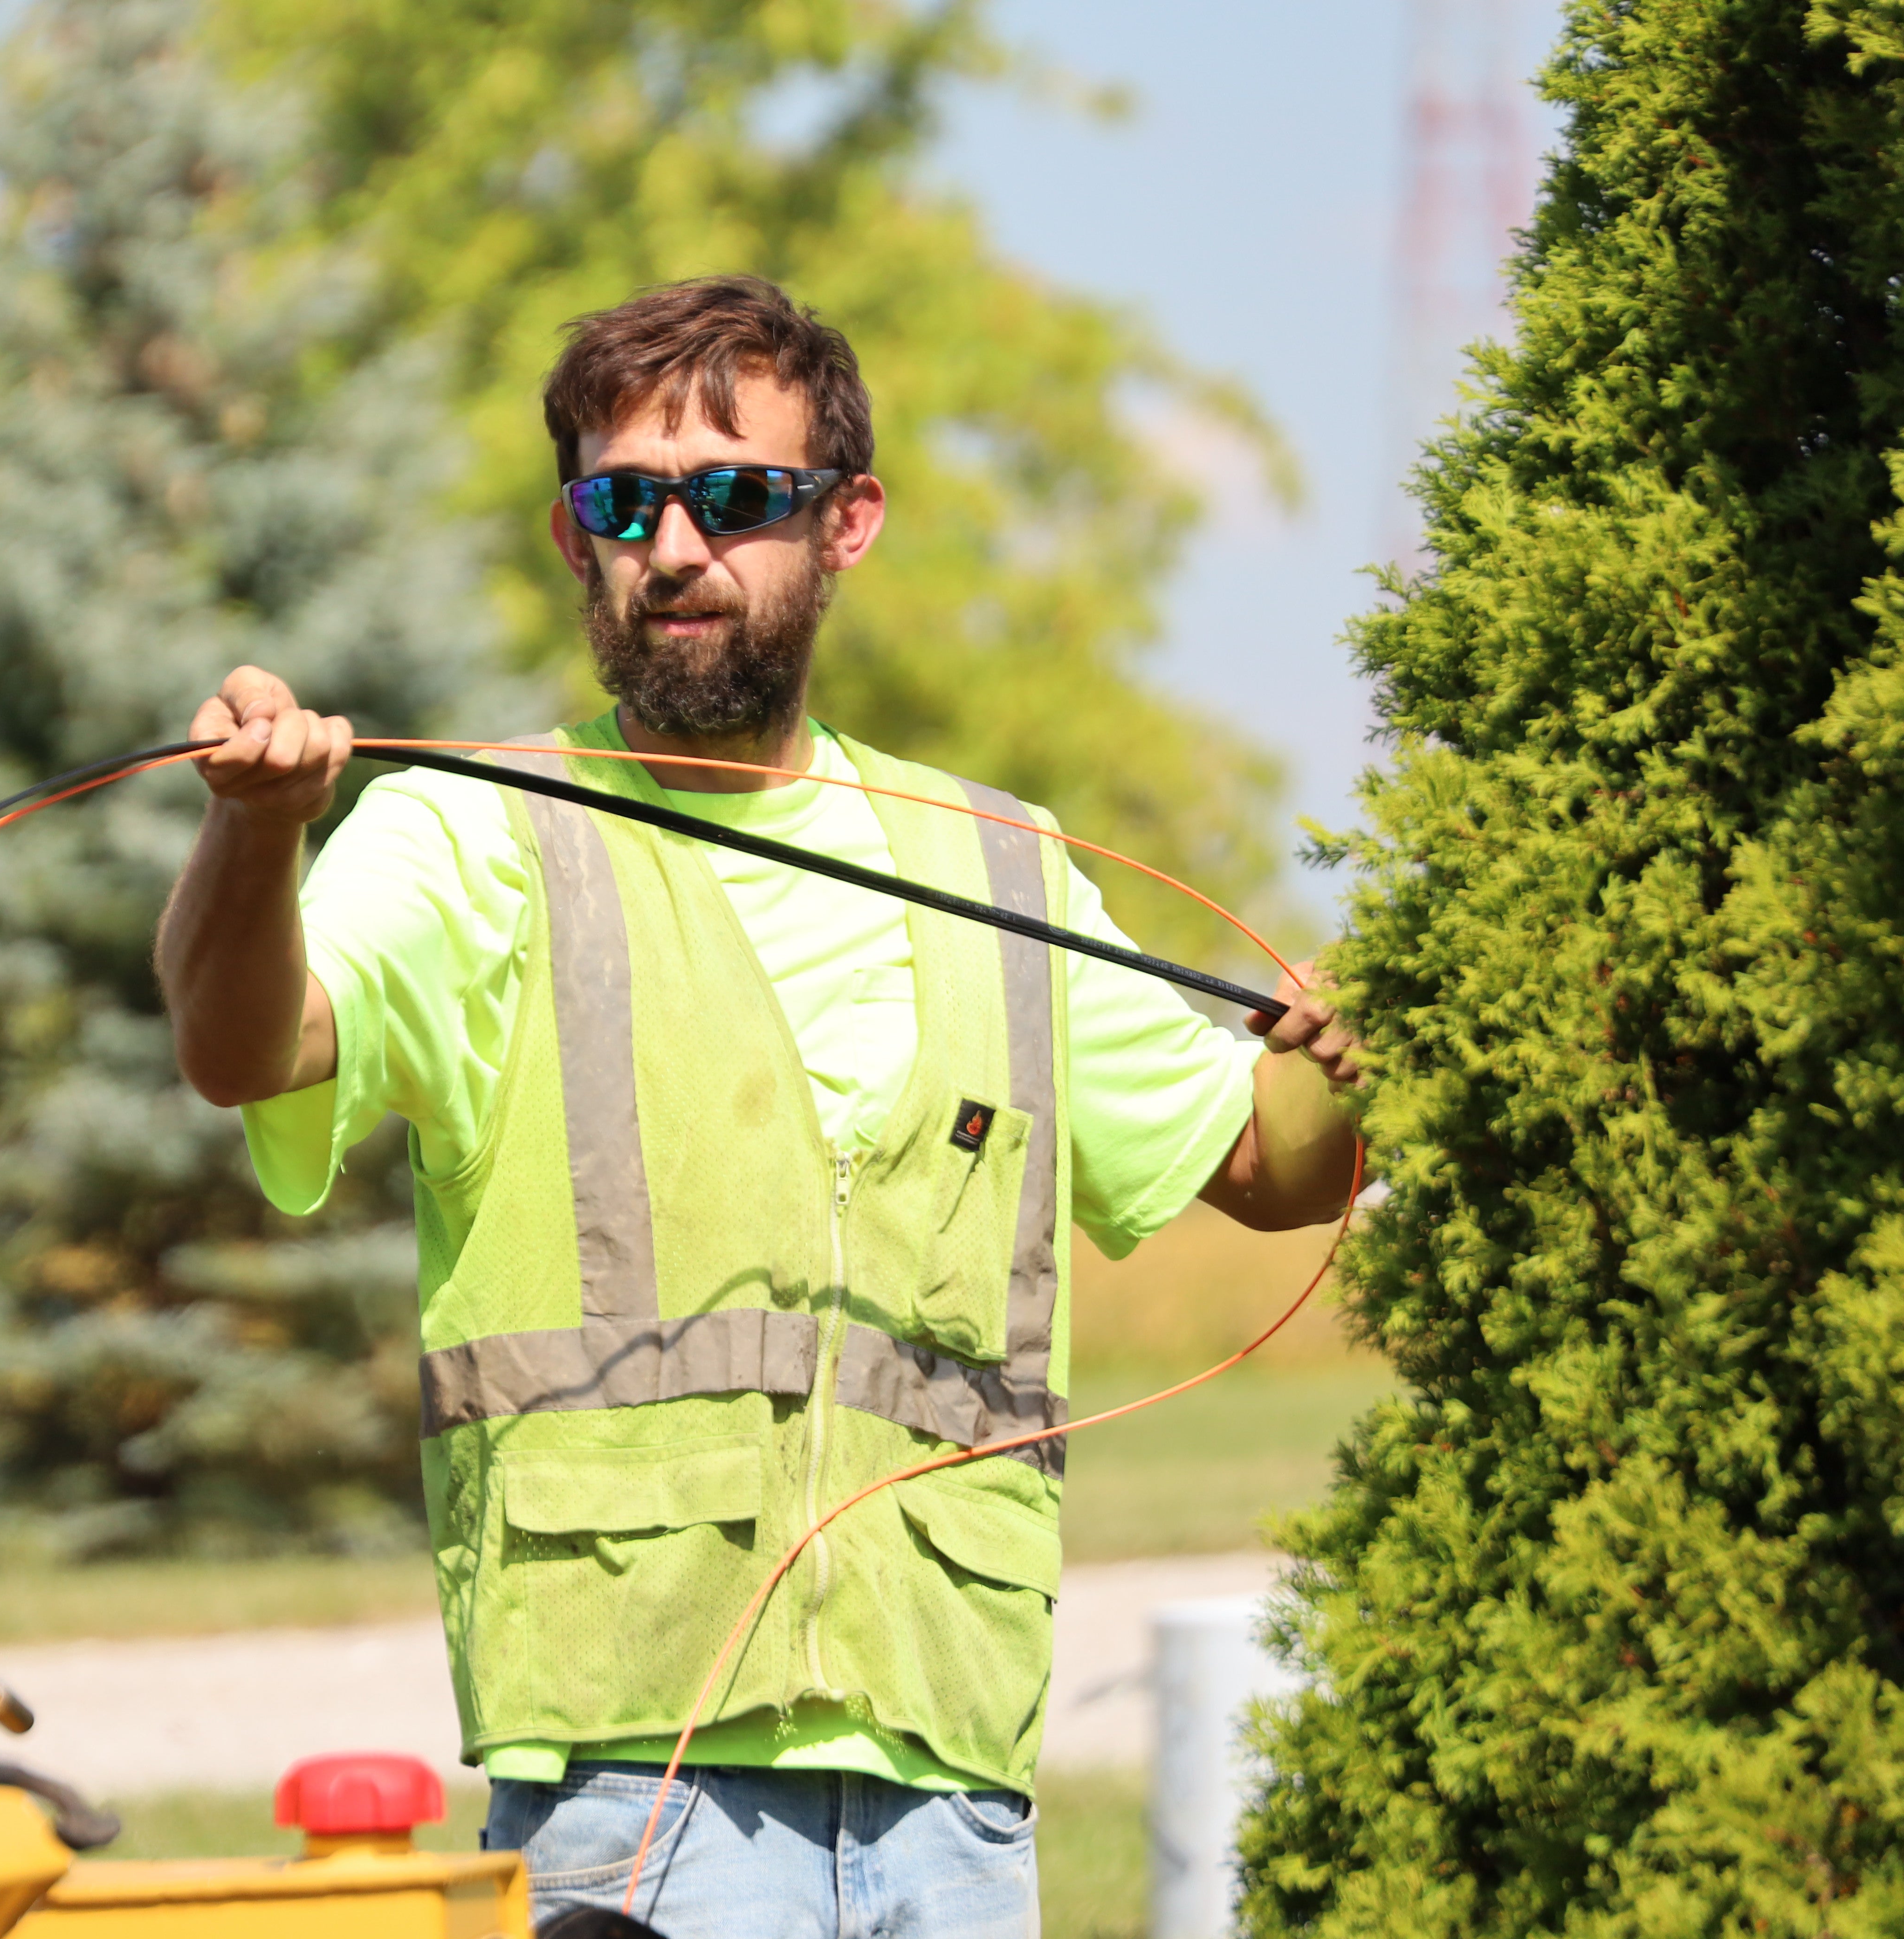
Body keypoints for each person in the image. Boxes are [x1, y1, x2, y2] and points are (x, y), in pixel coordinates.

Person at [154, 275, 1359, 1939]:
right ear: (574, 538)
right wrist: (254, 835)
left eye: (733, 496)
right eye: (621, 503)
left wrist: (1339, 1057)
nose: (675, 545)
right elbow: (242, 1046)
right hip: (632, 1787)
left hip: (952, 1783)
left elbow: (1267, 1173)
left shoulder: (999, 863)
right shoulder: (473, 839)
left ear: (847, 522)